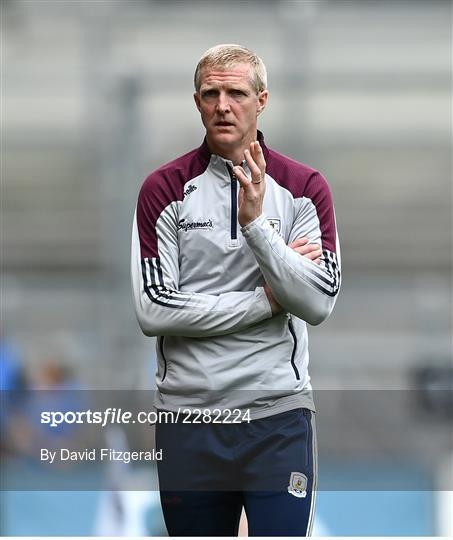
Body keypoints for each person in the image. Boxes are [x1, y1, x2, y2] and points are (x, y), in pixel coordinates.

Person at [131, 44, 341, 536]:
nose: (223, 104)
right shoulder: (163, 190)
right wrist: (268, 298)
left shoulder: (305, 188)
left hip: (277, 416)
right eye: (211, 93)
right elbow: (155, 309)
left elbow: (317, 302)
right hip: (189, 420)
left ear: (261, 100)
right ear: (197, 101)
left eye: (236, 93)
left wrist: (256, 227)